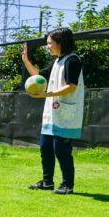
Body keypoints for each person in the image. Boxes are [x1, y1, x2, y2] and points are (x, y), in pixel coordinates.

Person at [22, 27, 84, 195]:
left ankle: (67, 185)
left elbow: (71, 87)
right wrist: (26, 60)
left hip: (66, 113)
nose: (47, 46)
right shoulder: (56, 61)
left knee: (62, 150)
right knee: (46, 148)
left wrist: (46, 94)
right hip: (51, 113)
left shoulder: (73, 60)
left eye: (49, 43)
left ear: (60, 43)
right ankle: (47, 181)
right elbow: (38, 75)